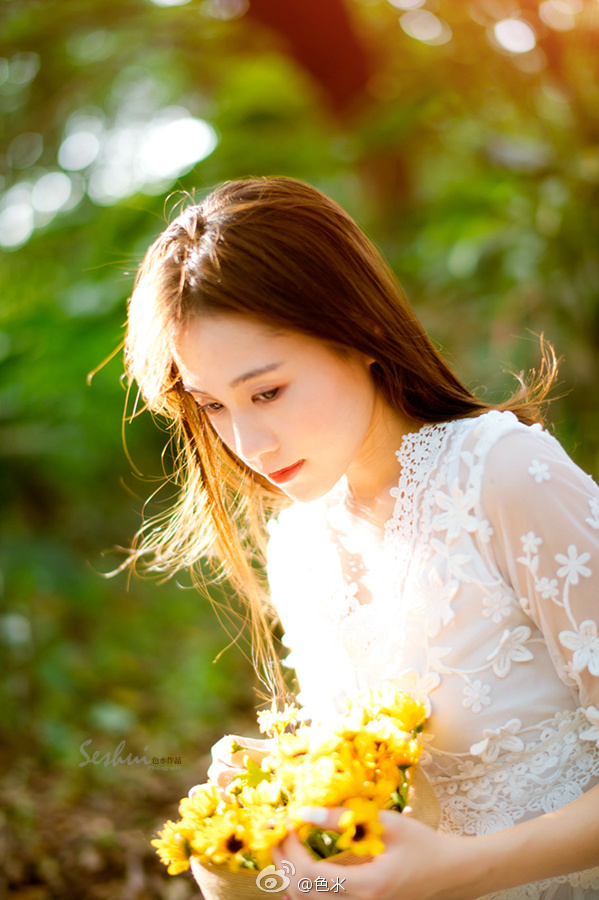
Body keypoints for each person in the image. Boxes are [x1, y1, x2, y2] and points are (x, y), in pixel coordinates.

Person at [125, 176, 599, 899]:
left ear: (359, 331)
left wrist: (459, 871)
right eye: (212, 406)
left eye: (267, 391)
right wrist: (282, 787)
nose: (247, 440)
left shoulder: (505, 476)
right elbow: (383, 787)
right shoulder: (300, 544)